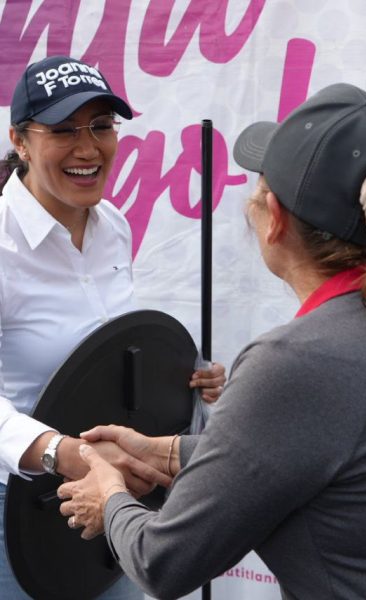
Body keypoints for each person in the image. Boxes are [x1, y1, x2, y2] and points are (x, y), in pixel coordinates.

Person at [59, 83, 366, 600]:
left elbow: (162, 562)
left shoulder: (301, 359)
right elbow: (315, 448)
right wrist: (163, 452)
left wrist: (109, 495)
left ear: (274, 218)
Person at [0, 55, 225, 599]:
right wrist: (62, 453)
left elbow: (105, 354)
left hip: (113, 499)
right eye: (63, 131)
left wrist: (182, 377)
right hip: (15, 514)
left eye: (101, 126)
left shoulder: (113, 226)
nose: (88, 148)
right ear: (20, 142)